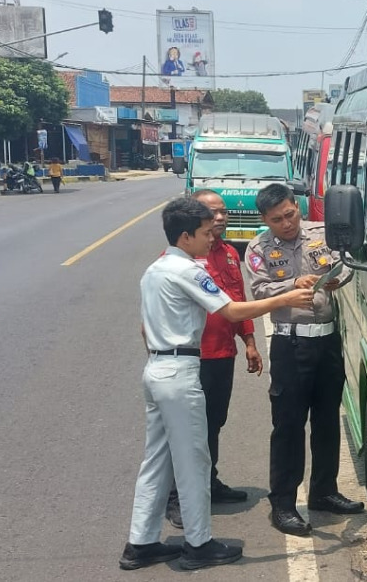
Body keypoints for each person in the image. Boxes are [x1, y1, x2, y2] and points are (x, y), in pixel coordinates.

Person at [121, 197, 314, 571]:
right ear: (185, 235)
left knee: (157, 462)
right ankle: (198, 543)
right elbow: (231, 310)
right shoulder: (189, 270)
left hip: (157, 369)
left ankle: (140, 543)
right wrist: (288, 297)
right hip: (179, 373)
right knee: (193, 462)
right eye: (207, 232)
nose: (213, 237)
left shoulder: (155, 269)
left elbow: (146, 329)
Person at [245, 183, 364, 538]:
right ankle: (283, 504)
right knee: (289, 427)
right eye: (277, 219)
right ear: (265, 219)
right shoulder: (258, 248)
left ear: (297, 206)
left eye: (291, 213)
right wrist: (294, 284)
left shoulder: (319, 232)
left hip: (326, 340)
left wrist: (333, 280)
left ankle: (323, 491)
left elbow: (345, 267)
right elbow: (260, 290)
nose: (287, 223)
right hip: (290, 345)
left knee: (327, 420)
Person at [163, 189, 263, 529]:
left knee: (213, 423)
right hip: (193, 359)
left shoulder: (229, 255)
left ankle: (209, 481)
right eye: (211, 213)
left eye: (223, 213)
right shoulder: (180, 259)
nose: (219, 219)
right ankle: (176, 496)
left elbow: (237, 298)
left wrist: (249, 340)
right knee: (188, 429)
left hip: (223, 354)